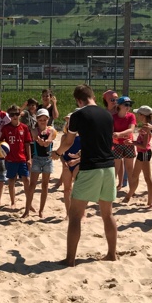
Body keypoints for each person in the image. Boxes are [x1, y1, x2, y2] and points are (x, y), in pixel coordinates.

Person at [55, 85, 118, 267]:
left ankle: (70, 259)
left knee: (75, 215)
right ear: (93, 96)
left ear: (78, 101)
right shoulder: (107, 114)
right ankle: (112, 254)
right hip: (109, 167)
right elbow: (101, 141)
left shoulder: (78, 115)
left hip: (90, 168)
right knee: (107, 214)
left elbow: (68, 141)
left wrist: (57, 153)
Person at [0, 105, 33, 211]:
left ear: (20, 115)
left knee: (26, 180)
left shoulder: (24, 127)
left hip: (22, 158)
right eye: (12, 114)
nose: (14, 116)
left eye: (16, 114)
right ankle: (13, 202)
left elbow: (27, 144)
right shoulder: (5, 128)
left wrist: (29, 158)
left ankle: (29, 203)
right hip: (10, 159)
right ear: (9, 115)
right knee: (11, 180)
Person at [27, 108, 57, 218]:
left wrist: (44, 142)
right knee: (32, 185)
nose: (43, 121)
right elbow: (37, 138)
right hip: (37, 159)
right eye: (40, 119)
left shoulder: (51, 130)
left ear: (48, 119)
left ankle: (41, 210)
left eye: (45, 119)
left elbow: (48, 141)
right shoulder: (34, 130)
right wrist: (41, 141)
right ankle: (27, 209)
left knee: (45, 185)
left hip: (47, 159)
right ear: (37, 120)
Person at [123, 105, 152, 206]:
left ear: (143, 115)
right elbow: (141, 142)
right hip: (141, 152)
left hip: (145, 152)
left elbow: (144, 145)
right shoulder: (145, 126)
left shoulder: (146, 127)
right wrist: (132, 142)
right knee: (134, 176)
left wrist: (132, 143)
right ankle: (129, 195)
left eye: (139, 114)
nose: (137, 116)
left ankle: (151, 200)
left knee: (147, 177)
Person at [54, 111, 81, 213]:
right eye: (68, 121)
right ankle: (68, 213)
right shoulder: (64, 137)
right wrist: (63, 162)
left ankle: (79, 212)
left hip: (78, 163)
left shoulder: (82, 136)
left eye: (71, 121)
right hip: (67, 164)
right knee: (67, 189)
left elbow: (86, 153)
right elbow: (61, 153)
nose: (69, 123)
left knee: (77, 189)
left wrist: (77, 160)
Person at [112, 96, 137, 192]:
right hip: (117, 144)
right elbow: (111, 131)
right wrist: (115, 135)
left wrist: (119, 134)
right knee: (115, 168)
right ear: (119, 105)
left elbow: (131, 129)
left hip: (128, 144)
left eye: (130, 104)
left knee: (130, 169)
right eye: (126, 104)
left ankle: (131, 190)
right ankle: (111, 189)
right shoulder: (113, 117)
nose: (128, 106)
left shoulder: (131, 116)